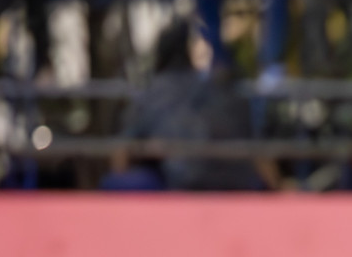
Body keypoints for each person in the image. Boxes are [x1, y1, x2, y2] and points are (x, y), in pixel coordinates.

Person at [104, 20, 280, 192]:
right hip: (239, 185)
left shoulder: (153, 92)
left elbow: (121, 157)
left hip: (184, 185)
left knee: (121, 181)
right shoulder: (224, 88)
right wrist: (279, 193)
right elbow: (259, 153)